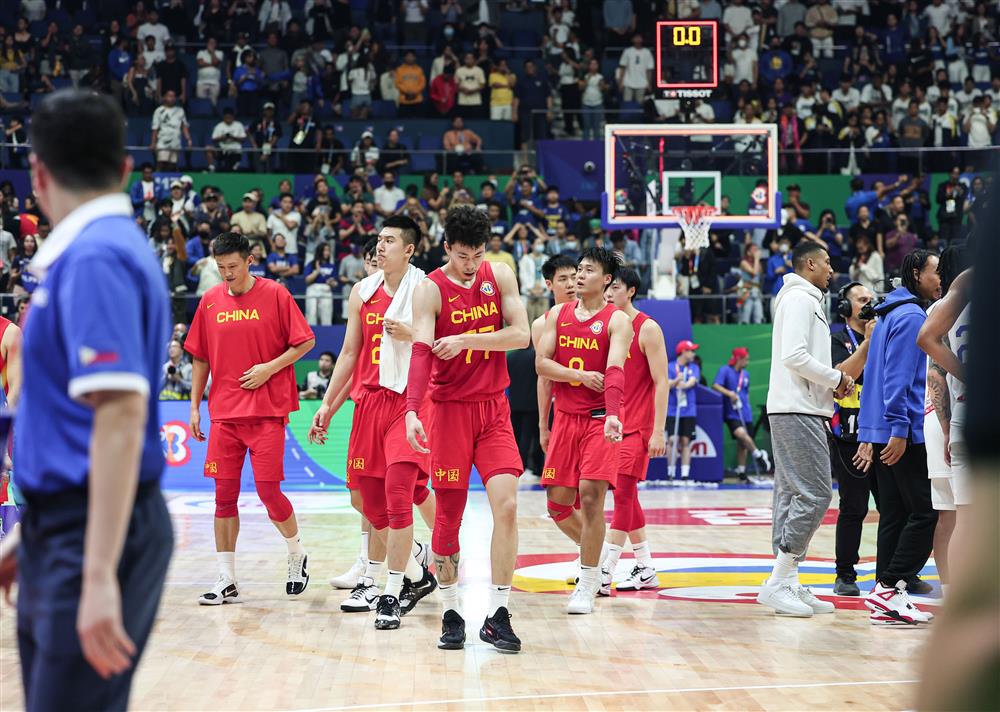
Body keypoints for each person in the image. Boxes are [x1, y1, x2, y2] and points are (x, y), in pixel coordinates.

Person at [1, 90, 173, 710]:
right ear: (125, 169)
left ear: (38, 173)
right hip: (67, 525)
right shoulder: (90, 254)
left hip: (94, 533)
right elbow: (77, 421)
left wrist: (97, 574)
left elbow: (122, 416)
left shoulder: (97, 257)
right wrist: (33, 536)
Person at [404, 205, 529, 650]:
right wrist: (413, 410)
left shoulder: (500, 276)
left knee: (508, 507)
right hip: (450, 411)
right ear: (446, 249)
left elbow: (521, 335)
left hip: (493, 409)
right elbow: (420, 352)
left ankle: (498, 613)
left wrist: (466, 340)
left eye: (477, 253)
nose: (471, 263)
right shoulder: (429, 290)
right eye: (462, 255)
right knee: (449, 519)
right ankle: (451, 610)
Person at [308, 216, 438, 628]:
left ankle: (391, 590)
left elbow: (443, 345)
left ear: (410, 250)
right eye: (379, 241)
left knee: (400, 493)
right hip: (368, 405)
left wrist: (414, 332)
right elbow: (349, 353)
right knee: (364, 499)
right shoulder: (360, 293)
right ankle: (416, 570)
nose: (380, 248)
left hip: (410, 402)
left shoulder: (426, 290)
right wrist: (327, 404)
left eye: (389, 241)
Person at [185, 232, 316, 606]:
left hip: (266, 413)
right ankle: (226, 578)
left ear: (249, 261)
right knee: (223, 498)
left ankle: (296, 554)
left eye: (233, 267)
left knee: (268, 492)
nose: (227, 274)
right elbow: (200, 357)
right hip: (225, 414)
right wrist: (196, 405)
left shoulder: (275, 294)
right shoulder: (209, 302)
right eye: (221, 267)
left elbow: (304, 342)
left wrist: (269, 369)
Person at [757, 241, 853, 618]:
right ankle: (780, 580)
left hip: (796, 407)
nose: (832, 268)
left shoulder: (800, 297)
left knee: (791, 494)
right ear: (809, 263)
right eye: (827, 261)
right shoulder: (799, 299)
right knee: (815, 494)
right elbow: (794, 356)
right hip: (797, 408)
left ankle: (788, 580)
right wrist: (835, 378)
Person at [536, 247, 631, 615]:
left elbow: (615, 371)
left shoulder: (616, 321)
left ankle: (588, 583)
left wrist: (612, 414)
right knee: (558, 503)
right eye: (578, 269)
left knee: (591, 497)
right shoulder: (558, 315)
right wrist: (576, 376)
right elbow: (542, 365)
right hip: (566, 419)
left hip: (597, 420)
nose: (579, 275)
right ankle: (597, 554)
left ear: (606, 279)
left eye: (588, 270)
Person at [855, 249, 941, 625]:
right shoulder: (911, 316)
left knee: (894, 513)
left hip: (881, 428)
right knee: (926, 512)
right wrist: (899, 429)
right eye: (936, 272)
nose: (941, 278)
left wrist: (874, 431)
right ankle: (892, 584)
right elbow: (897, 378)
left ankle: (883, 592)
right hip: (901, 431)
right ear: (917, 273)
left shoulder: (891, 312)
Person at [599, 268, 668, 595]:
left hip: (637, 426)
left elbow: (661, 382)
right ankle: (645, 568)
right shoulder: (609, 326)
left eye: (615, 287)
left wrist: (658, 431)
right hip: (611, 423)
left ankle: (604, 570)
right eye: (607, 287)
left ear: (632, 291)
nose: (609, 292)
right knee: (626, 495)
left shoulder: (648, 328)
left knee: (624, 494)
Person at [916, 249, 970, 600]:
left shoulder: (948, 303)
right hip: (945, 416)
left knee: (955, 515)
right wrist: (947, 427)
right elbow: (935, 374)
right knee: (952, 515)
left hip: (953, 417)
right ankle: (954, 590)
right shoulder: (942, 308)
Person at [828, 282, 878, 596]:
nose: (869, 304)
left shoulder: (886, 335)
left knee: (894, 505)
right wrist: (867, 344)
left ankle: (891, 576)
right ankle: (845, 574)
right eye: (862, 300)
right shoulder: (835, 339)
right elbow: (841, 377)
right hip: (848, 436)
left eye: (872, 299)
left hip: (883, 433)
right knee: (854, 507)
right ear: (846, 308)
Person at [712, 347, 771, 483]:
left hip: (745, 412)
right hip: (732, 412)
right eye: (746, 359)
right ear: (739, 358)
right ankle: (758, 454)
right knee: (741, 434)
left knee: (742, 444)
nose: (748, 361)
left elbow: (746, 392)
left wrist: (746, 406)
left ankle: (742, 472)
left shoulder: (746, 374)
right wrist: (730, 394)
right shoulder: (725, 370)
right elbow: (716, 385)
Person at [666, 340, 700, 481]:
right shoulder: (670, 366)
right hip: (673, 410)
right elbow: (665, 384)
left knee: (686, 441)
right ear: (683, 352)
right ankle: (671, 472)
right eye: (691, 350)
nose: (693, 353)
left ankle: (685, 474)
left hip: (688, 410)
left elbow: (693, 381)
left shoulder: (694, 367)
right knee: (672, 440)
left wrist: (684, 384)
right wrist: (675, 381)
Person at [304, 241, 336, 325]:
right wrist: (317, 271)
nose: (327, 252)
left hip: (326, 291)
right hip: (313, 290)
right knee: (312, 314)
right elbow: (307, 280)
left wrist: (331, 283)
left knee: (327, 315)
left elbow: (335, 283)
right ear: (320, 251)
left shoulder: (331, 266)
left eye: (328, 250)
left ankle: (327, 335)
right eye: (325, 250)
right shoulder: (311, 264)